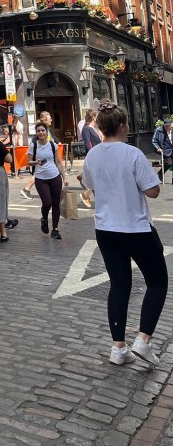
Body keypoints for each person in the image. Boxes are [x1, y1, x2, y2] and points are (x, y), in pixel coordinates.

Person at [82, 101, 167, 366]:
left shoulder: (93, 155)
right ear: (121, 126)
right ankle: (143, 339)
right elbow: (153, 191)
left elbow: (88, 185)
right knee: (157, 282)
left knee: (119, 285)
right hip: (135, 227)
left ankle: (118, 348)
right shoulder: (132, 153)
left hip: (106, 228)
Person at [27, 120, 68, 239]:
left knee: (56, 203)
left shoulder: (52, 145)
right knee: (47, 203)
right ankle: (44, 218)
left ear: (46, 132)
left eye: (43, 130)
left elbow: (58, 162)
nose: (41, 133)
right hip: (41, 179)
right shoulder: (33, 146)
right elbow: (28, 162)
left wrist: (64, 177)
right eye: (38, 131)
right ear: (36, 133)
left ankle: (55, 229)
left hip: (55, 177)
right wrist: (36, 162)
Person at [20, 110, 56, 199]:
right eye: (49, 118)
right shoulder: (42, 130)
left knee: (41, 172)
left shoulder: (47, 130)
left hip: (46, 155)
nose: (51, 120)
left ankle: (27, 189)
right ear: (45, 119)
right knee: (39, 173)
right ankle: (26, 189)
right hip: (41, 155)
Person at [78, 108, 102, 208]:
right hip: (94, 156)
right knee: (99, 178)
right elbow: (87, 143)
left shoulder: (94, 128)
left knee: (99, 178)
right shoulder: (86, 128)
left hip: (100, 155)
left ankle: (87, 192)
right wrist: (93, 154)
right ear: (93, 117)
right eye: (97, 116)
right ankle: (87, 195)